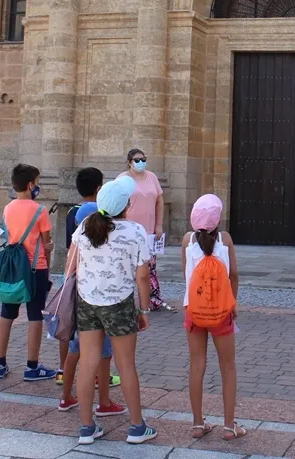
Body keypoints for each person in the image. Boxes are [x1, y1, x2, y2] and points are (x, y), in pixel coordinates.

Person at [73, 176, 156, 445]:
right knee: (126, 365)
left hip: (88, 300)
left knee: (88, 363)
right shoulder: (135, 231)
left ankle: (86, 427)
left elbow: (73, 261)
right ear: (127, 205)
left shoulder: (86, 226)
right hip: (119, 302)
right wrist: (144, 309)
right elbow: (143, 276)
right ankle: (136, 426)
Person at [58, 167, 123, 416]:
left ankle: (66, 397)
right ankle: (104, 402)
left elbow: (68, 270)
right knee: (103, 354)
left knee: (75, 352)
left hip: (77, 299)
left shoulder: (77, 240)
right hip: (95, 303)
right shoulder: (95, 237)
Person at [182, 194, 247, 441]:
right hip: (221, 313)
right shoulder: (225, 239)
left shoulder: (187, 240)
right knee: (228, 367)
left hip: (194, 311)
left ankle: (198, 423)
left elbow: (185, 276)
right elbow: (235, 275)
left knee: (197, 365)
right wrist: (234, 303)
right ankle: (229, 425)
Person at [0, 164, 57, 381]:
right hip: (35, 268)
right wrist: (47, 263)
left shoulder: (8, 208)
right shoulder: (40, 210)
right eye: (37, 182)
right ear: (31, 185)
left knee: (6, 314)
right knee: (35, 316)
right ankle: (32, 366)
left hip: (13, 267)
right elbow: (46, 242)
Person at [118, 148, 173, 311]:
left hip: (148, 230)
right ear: (129, 162)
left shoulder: (152, 177)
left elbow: (159, 201)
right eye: (137, 160)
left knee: (149, 266)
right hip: (129, 229)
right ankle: (123, 299)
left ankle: (153, 299)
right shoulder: (122, 179)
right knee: (127, 266)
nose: (141, 162)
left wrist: (159, 225)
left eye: (143, 159)